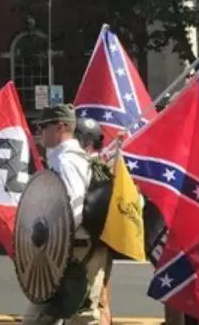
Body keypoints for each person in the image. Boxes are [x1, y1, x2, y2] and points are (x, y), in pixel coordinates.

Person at [22, 105, 110, 325]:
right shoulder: (69, 158)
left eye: (44, 126)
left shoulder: (67, 161)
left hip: (75, 251)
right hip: (74, 250)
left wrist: (54, 244)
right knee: (52, 315)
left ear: (60, 127)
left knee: (79, 317)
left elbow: (73, 208)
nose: (40, 131)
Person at [74, 117, 113, 325]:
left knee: (85, 309)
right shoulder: (106, 165)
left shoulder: (81, 165)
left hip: (83, 244)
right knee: (99, 302)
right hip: (102, 244)